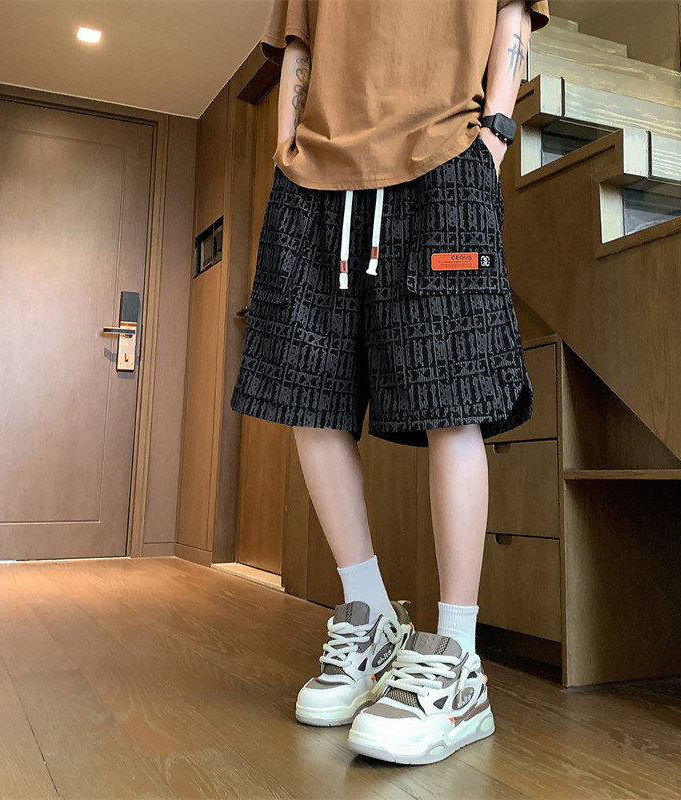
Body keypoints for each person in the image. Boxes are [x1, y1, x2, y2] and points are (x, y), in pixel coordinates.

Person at [231, 0, 549, 765]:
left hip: (446, 155)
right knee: (307, 394)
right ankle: (369, 616)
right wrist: (286, 144)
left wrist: (495, 135)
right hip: (314, 174)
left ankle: (458, 661)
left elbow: (514, 13)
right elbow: (298, 40)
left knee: (455, 398)